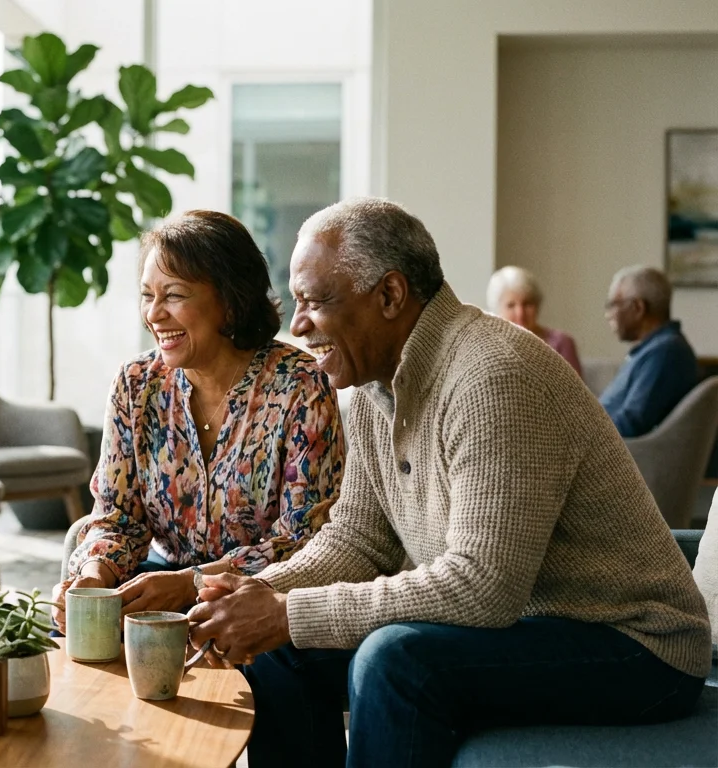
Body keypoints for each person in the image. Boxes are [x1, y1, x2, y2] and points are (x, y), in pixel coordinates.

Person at [186, 199, 711, 767]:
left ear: (389, 295)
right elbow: (358, 541)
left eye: (315, 301)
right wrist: (258, 593)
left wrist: (289, 612)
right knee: (281, 649)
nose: (298, 324)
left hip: (633, 644)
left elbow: (483, 585)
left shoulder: (492, 376)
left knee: (397, 660)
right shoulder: (369, 392)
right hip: (527, 625)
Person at [52, 210, 344, 631]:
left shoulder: (301, 385)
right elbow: (117, 516)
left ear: (230, 299)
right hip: (155, 583)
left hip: (257, 601)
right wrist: (95, 576)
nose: (154, 314)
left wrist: (191, 584)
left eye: (173, 295)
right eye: (147, 296)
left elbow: (302, 540)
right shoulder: (136, 384)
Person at [600, 265, 700, 437]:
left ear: (638, 308)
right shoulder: (655, 350)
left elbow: (631, 424)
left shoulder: (665, 353)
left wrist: (578, 431)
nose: (608, 315)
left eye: (613, 304)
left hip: (622, 455)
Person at [486, 265, 581, 375]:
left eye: (527, 304)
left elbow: (575, 391)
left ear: (537, 305)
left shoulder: (562, 343)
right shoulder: (491, 347)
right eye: (511, 305)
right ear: (497, 310)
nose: (520, 313)